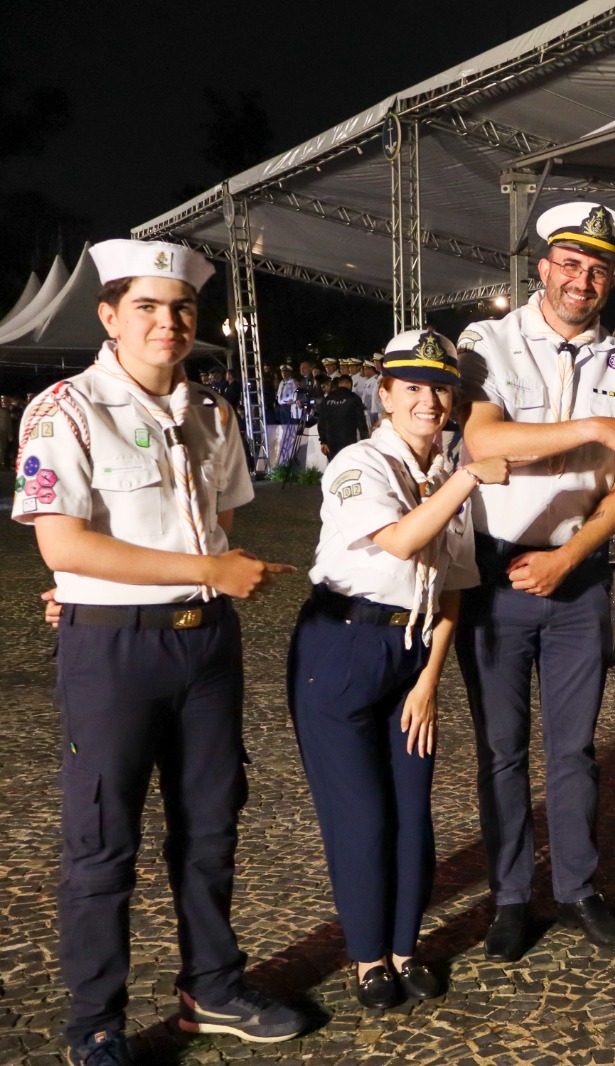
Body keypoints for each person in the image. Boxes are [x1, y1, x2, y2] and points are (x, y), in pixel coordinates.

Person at [13, 239, 307, 1065]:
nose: (167, 323)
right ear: (109, 316)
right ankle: (94, 1025)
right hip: (113, 653)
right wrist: (199, 570)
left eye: (180, 308)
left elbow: (217, 523)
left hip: (205, 643)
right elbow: (63, 548)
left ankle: (210, 987)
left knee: (212, 824)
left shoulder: (212, 412)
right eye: (145, 305)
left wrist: (202, 572)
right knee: (103, 842)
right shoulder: (64, 409)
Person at [454, 202, 615, 961]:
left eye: (598, 269)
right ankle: (511, 897)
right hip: (494, 574)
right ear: (543, 267)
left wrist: (572, 555)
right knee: (502, 752)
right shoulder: (489, 340)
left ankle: (579, 888)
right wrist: (589, 429)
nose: (582, 279)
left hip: (576, 577)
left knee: (575, 751)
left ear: (611, 280)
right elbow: (483, 438)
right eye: (570, 264)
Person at [288, 329, 506, 1010]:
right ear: (384, 394)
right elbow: (403, 539)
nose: (429, 400)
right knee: (362, 818)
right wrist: (470, 474)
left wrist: (429, 680)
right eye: (412, 386)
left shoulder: (442, 474)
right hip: (342, 647)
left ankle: (406, 947)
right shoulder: (360, 463)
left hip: (412, 650)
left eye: (442, 387)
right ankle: (366, 958)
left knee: (413, 814)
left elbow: (454, 588)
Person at [317, 373, 369, 461]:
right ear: (349, 384)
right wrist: (365, 440)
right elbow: (361, 422)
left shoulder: (327, 399)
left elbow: (321, 421)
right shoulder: (354, 398)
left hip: (331, 441)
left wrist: (323, 441)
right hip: (348, 440)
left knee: (334, 467)